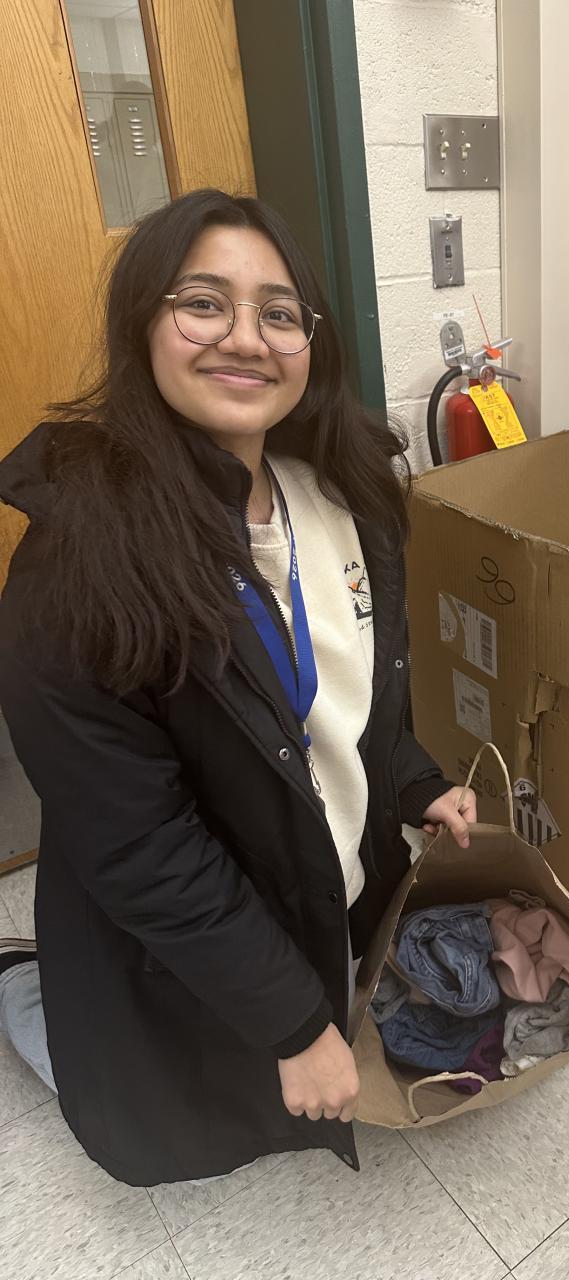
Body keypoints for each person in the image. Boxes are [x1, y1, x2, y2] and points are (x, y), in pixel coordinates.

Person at [0, 189, 476, 1187]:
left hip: (306, 892)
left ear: (311, 340)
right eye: (204, 303)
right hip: (177, 929)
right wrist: (293, 1022)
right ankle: (18, 985)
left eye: (278, 312)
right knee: (142, 1115)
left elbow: (358, 696)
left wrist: (415, 782)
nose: (247, 339)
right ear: (142, 322)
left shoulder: (345, 491)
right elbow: (139, 843)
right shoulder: (80, 556)